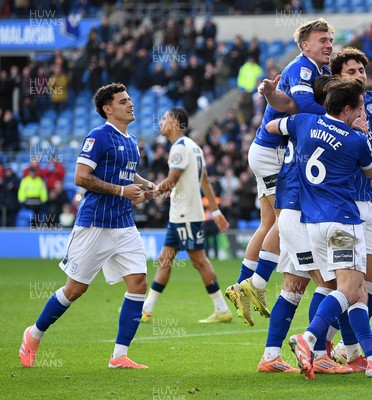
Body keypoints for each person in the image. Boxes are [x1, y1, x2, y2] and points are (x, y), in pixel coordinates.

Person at [269, 78, 372, 379]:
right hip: (343, 219)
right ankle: (309, 338)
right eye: (360, 110)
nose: (364, 115)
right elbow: (370, 170)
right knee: (348, 288)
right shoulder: (354, 139)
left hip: (312, 221)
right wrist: (361, 133)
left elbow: (271, 128)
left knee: (356, 292)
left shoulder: (304, 121)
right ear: (347, 110)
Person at [19, 83, 157, 369]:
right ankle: (33, 334)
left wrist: (144, 185)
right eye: (123, 101)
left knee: (139, 283)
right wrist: (122, 191)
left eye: (130, 99)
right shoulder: (98, 136)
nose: (130, 104)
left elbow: (126, 173)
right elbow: (81, 177)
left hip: (123, 223)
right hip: (95, 223)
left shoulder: (130, 141)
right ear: (108, 108)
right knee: (75, 290)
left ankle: (119, 355)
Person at [226, 18, 333, 327]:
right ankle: (255, 284)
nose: (328, 44)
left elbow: (289, 102)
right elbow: (300, 104)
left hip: (269, 149)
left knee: (268, 222)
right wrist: (336, 122)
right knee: (286, 217)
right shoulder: (302, 68)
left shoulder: (319, 70)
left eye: (330, 39)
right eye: (322, 39)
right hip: (274, 151)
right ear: (305, 45)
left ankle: (243, 285)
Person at [141, 108, 231, 323]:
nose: (161, 122)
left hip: (186, 214)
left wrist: (147, 195)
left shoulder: (179, 148)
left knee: (199, 261)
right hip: (180, 215)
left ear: (174, 122)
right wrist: (215, 211)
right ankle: (146, 310)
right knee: (166, 260)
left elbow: (172, 180)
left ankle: (222, 308)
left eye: (164, 119)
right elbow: (205, 181)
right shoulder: (194, 147)